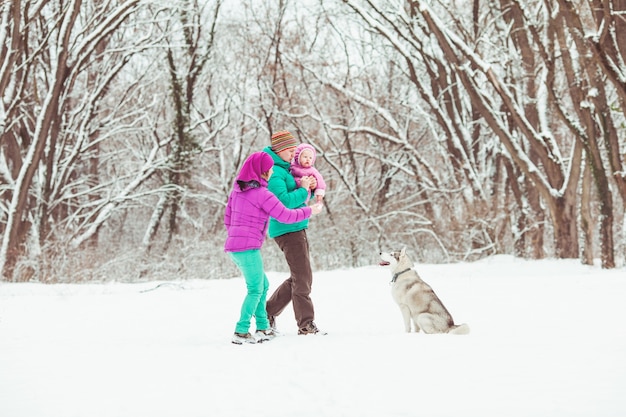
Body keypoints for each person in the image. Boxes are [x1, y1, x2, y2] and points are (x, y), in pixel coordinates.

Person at [224, 151, 323, 345]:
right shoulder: (262, 193)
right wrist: (309, 210)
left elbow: (228, 218)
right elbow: (285, 215)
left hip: (235, 247)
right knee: (255, 289)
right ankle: (241, 331)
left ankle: (262, 327)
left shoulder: (237, 190)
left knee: (264, 285)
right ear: (260, 171)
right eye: (268, 170)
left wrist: (237, 236)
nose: (270, 173)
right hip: (247, 248)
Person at [263, 130, 327, 336]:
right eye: (291, 151)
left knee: (300, 276)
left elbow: (297, 192)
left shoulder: (285, 169)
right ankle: (306, 324)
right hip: (287, 229)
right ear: (280, 150)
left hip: (296, 227)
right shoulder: (275, 172)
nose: (294, 154)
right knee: (302, 277)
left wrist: (310, 186)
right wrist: (304, 189)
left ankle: (267, 312)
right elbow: (284, 202)